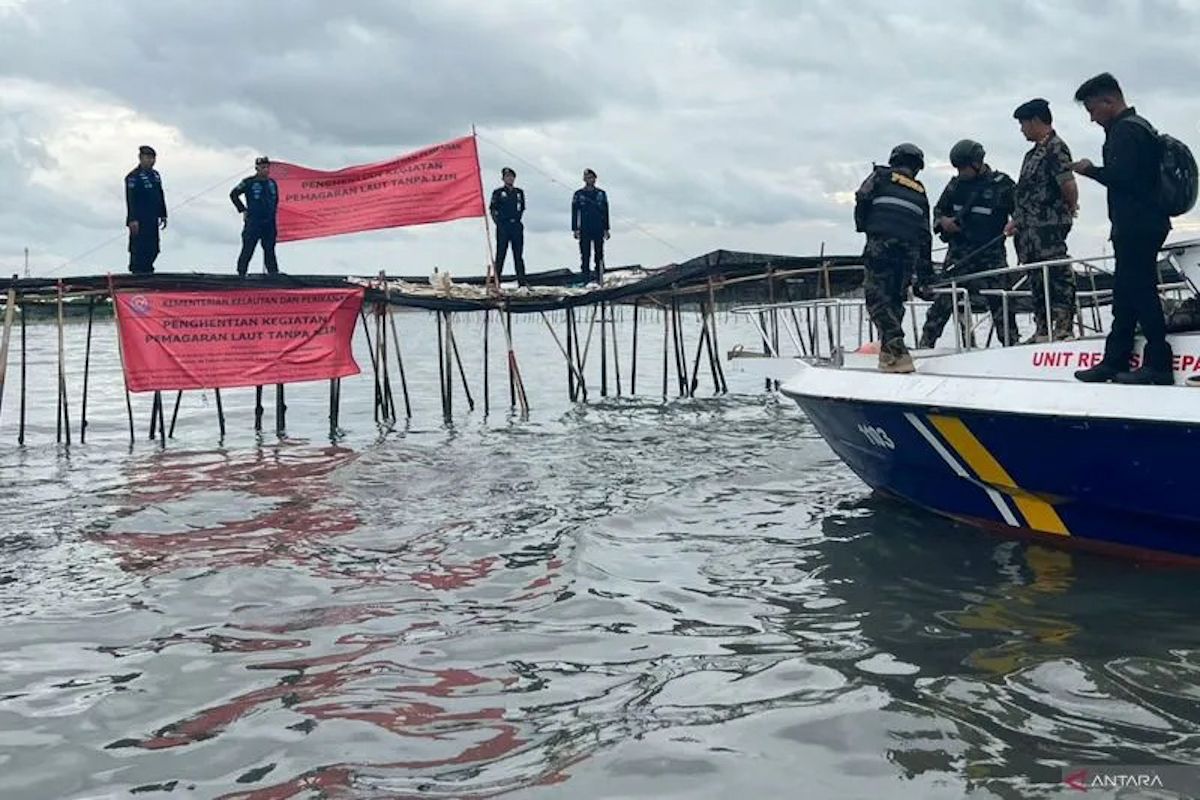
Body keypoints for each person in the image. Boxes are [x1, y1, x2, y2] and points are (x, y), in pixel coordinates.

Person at [1071, 72, 1173, 385]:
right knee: (1125, 293)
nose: (1092, 118)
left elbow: (1126, 179)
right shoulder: (1139, 127)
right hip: (1144, 223)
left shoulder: (1126, 131)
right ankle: (1115, 359)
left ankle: (1159, 362)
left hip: (1137, 225)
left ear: (1109, 100)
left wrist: (1091, 171)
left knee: (1140, 291)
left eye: (1092, 110)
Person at [918, 139, 1020, 349]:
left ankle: (1012, 346)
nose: (961, 172)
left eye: (963, 167)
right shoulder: (955, 185)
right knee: (943, 301)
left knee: (1001, 303)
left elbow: (1021, 211)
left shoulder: (1002, 184)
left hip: (991, 254)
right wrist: (943, 222)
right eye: (957, 168)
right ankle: (925, 346)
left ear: (976, 162)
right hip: (959, 255)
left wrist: (1014, 223)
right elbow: (938, 212)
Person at [853, 142, 934, 373]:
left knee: (876, 298)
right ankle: (889, 355)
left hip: (881, 247)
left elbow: (861, 197)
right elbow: (925, 234)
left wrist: (863, 225)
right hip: (908, 254)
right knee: (896, 301)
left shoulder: (880, 176)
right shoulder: (920, 191)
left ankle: (896, 346)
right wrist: (926, 275)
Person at [1006, 98, 1080, 342]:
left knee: (1057, 275)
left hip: (1048, 227)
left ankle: (1063, 326)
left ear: (1036, 121)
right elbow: (1026, 194)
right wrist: (1017, 220)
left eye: (1023, 123)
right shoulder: (1031, 155)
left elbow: (1068, 183)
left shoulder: (1056, 147)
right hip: (1028, 232)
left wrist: (1068, 208)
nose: (1021, 129)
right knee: (1037, 279)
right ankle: (1042, 328)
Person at [230, 156, 280, 276]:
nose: (265, 170)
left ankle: (273, 273)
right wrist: (243, 210)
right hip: (254, 221)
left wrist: (272, 213)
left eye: (267, 167)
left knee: (269, 249)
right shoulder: (248, 182)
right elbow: (233, 194)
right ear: (256, 168)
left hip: (269, 222)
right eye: (262, 167)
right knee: (248, 248)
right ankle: (241, 273)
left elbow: (276, 200)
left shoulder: (272, 183)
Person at [125, 145, 167, 275]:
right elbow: (130, 199)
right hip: (139, 218)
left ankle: (148, 269)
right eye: (147, 157)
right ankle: (137, 271)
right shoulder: (133, 176)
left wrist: (163, 214)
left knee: (153, 247)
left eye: (152, 158)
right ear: (140, 158)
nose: (150, 160)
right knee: (138, 247)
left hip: (152, 217)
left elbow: (160, 194)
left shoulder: (155, 175)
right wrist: (132, 219)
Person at [489, 167, 527, 286]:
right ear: (503, 178)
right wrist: (499, 223)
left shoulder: (519, 192)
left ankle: (522, 281)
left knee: (518, 255)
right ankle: (496, 281)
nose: (509, 179)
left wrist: (516, 219)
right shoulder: (498, 192)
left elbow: (522, 208)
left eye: (511, 176)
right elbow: (492, 209)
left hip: (516, 225)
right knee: (501, 254)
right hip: (503, 226)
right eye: (507, 177)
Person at [571, 168, 610, 283]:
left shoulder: (601, 194)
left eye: (592, 178)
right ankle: (585, 278)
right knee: (585, 254)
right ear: (584, 179)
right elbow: (574, 212)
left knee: (599, 254)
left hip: (598, 226)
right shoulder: (578, 194)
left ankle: (599, 277)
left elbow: (606, 211)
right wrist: (575, 229)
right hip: (585, 227)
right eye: (588, 178)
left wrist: (606, 228)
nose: (590, 180)